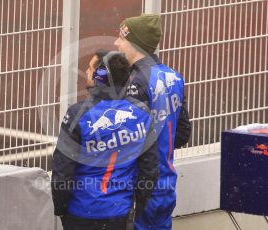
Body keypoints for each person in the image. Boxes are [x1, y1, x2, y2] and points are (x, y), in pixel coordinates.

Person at [51, 50, 160, 230]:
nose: (86, 72)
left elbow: (63, 170)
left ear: (100, 77)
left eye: (90, 69)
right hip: (120, 213)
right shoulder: (142, 113)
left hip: (81, 213)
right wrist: (137, 207)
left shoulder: (77, 115)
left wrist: (60, 208)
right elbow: (150, 170)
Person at [114, 14, 191, 230]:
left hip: (140, 184)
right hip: (166, 182)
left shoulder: (135, 81)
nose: (116, 43)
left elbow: (127, 141)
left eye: (121, 38)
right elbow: (183, 133)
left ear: (135, 44)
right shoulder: (174, 76)